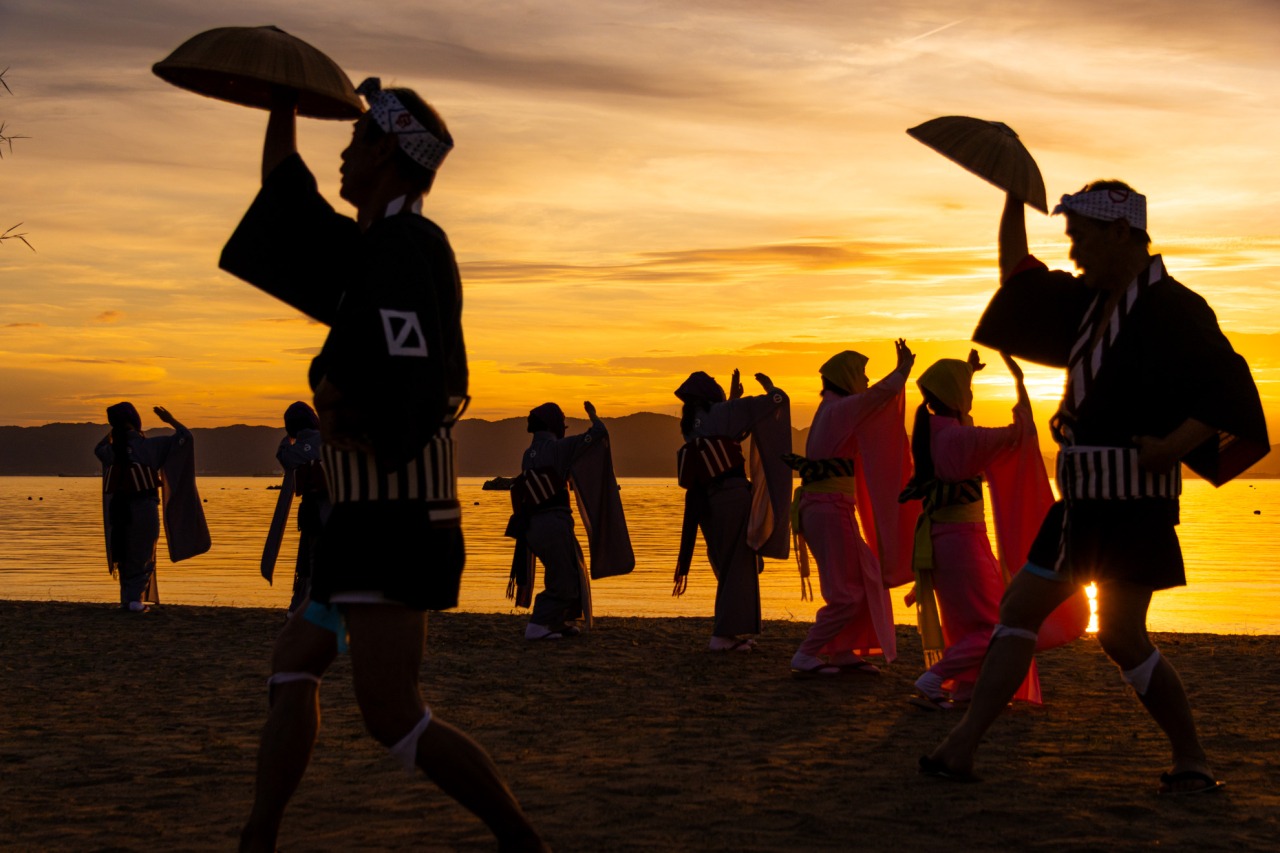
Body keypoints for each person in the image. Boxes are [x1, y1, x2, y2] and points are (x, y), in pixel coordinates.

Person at [220, 80, 545, 850]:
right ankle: (258, 834)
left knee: (392, 711)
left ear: (391, 155)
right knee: (295, 662)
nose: (345, 149)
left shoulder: (409, 250)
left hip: (397, 518)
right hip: (358, 519)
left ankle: (522, 840)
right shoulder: (374, 246)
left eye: (360, 140)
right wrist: (282, 98)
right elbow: (287, 200)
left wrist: (344, 405)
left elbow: (426, 382)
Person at [921, 184, 1269, 794]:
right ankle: (962, 746)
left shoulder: (1174, 308)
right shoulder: (1088, 303)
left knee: (1109, 632)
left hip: (1133, 504)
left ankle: (1191, 757)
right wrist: (1010, 197)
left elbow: (1228, 394)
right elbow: (1018, 281)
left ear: (1120, 233)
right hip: (1081, 502)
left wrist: (1170, 447)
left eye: (1081, 237)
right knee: (1038, 615)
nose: (1073, 252)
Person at [901, 352, 1087, 708]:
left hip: (943, 541)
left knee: (967, 626)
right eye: (967, 389)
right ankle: (932, 678)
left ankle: (967, 689)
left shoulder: (938, 432)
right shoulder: (959, 439)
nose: (970, 396)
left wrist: (968, 371)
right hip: (962, 543)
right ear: (958, 397)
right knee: (996, 626)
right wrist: (1019, 384)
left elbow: (969, 426)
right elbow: (1018, 435)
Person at [784, 342, 916, 675]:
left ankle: (842, 650)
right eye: (862, 375)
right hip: (829, 510)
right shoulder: (840, 410)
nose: (868, 380)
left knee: (867, 575)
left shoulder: (833, 408)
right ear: (847, 378)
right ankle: (807, 653)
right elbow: (876, 398)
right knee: (846, 593)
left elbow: (872, 400)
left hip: (827, 508)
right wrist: (901, 371)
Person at [674, 369, 791, 651]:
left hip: (706, 503)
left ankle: (733, 630)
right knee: (739, 564)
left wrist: (732, 396)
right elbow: (775, 401)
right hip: (732, 497)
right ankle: (724, 634)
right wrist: (771, 387)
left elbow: (728, 430)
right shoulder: (722, 413)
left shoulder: (691, 424)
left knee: (727, 563)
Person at [505, 401, 634, 639]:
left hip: (532, 527)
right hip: (553, 523)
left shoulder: (528, 454)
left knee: (564, 571)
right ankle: (539, 624)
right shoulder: (558, 448)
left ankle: (558, 621)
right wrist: (593, 416)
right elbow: (598, 435)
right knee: (565, 579)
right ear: (554, 426)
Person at [94, 402, 210, 612]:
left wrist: (117, 429)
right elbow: (186, 438)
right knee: (143, 552)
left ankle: (127, 599)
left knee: (124, 552)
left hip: (118, 509)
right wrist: (170, 420)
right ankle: (134, 601)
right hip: (143, 507)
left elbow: (98, 449)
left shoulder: (111, 450)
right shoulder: (148, 446)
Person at [260, 401, 330, 614]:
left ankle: (301, 609)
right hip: (337, 514)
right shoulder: (331, 440)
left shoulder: (295, 449)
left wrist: (289, 438)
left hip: (312, 515)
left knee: (309, 564)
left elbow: (283, 456)